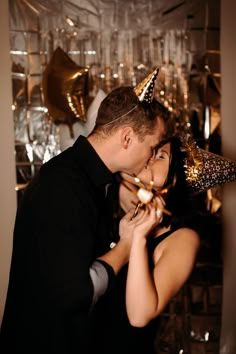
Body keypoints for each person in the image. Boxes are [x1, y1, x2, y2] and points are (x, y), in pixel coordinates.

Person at [0, 68, 167, 354]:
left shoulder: (92, 181)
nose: (152, 156)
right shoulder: (63, 184)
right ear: (127, 138)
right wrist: (127, 245)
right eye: (152, 146)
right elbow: (75, 295)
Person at [118, 135, 236, 354]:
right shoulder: (127, 206)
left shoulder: (183, 239)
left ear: (175, 181)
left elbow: (139, 315)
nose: (150, 156)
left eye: (161, 155)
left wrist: (138, 240)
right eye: (153, 150)